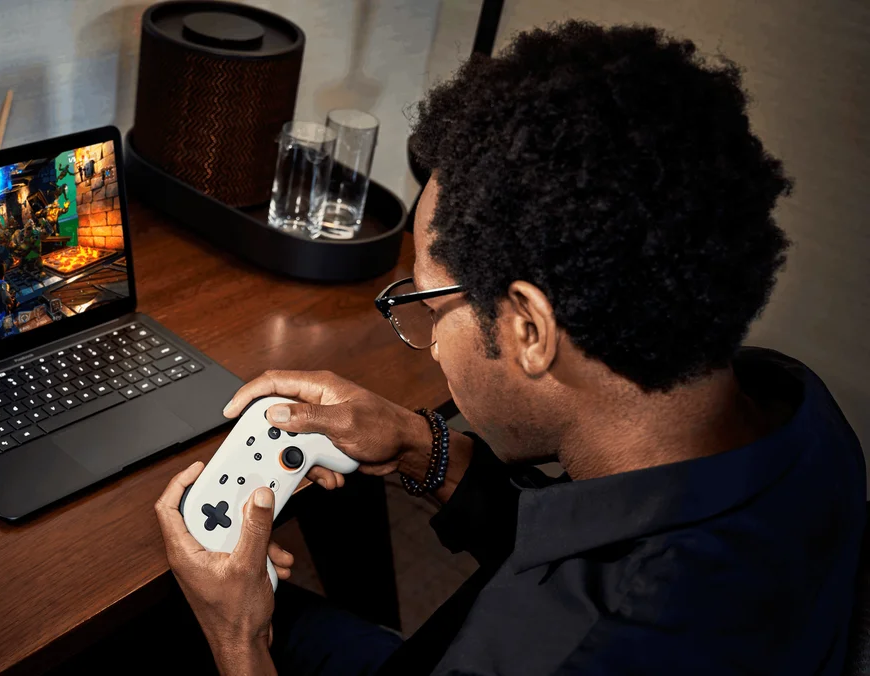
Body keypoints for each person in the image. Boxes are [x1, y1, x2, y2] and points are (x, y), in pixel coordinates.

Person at [154, 21, 866, 676]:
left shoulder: (561, 648)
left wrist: (238, 639)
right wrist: (415, 445)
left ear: (529, 328)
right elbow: (588, 540)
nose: (429, 349)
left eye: (431, 306)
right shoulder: (798, 415)